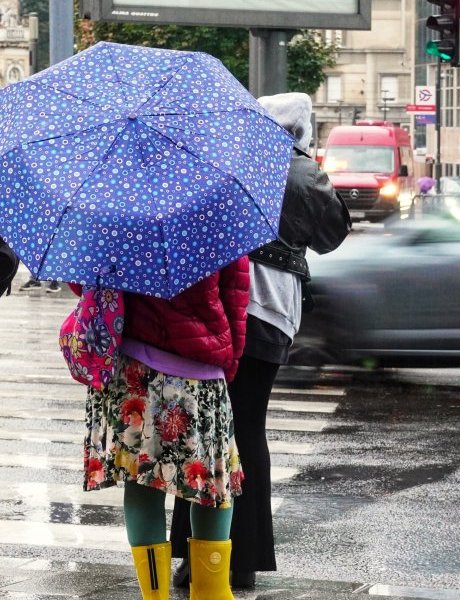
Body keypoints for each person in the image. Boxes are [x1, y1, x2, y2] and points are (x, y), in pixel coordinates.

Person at [169, 92, 351, 589]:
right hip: (270, 312)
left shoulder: (225, 157)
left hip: (216, 306)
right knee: (248, 427)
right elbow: (333, 233)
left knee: (205, 428)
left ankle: (192, 556)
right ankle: (242, 558)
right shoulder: (301, 173)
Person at [75, 256, 250, 600]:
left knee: (143, 482)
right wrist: (230, 362)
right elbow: (236, 294)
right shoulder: (219, 211)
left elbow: (83, 283)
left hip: (136, 366)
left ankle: (155, 597)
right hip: (201, 366)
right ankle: (212, 593)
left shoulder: (118, 209)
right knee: (213, 483)